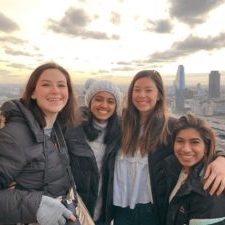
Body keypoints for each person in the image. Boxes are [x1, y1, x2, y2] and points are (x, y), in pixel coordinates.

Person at [112, 70, 225, 225]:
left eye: (148, 90)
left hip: (153, 210)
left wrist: (221, 159)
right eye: (136, 90)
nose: (141, 95)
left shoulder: (170, 126)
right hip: (120, 208)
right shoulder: (120, 124)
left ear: (159, 95)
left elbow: (200, 144)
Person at [0, 62, 80, 225]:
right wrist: (35, 206)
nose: (55, 91)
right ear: (33, 93)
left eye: (61, 85)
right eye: (46, 84)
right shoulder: (16, 134)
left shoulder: (56, 129)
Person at [65, 80, 122, 225]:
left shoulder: (120, 132)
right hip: (75, 212)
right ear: (89, 102)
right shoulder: (71, 127)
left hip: (103, 213)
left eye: (110, 101)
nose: (104, 105)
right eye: (98, 99)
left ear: (116, 107)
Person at [165, 113, 225, 225]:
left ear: (206, 147)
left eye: (194, 142)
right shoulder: (175, 169)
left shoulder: (210, 187)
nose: (186, 149)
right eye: (180, 141)